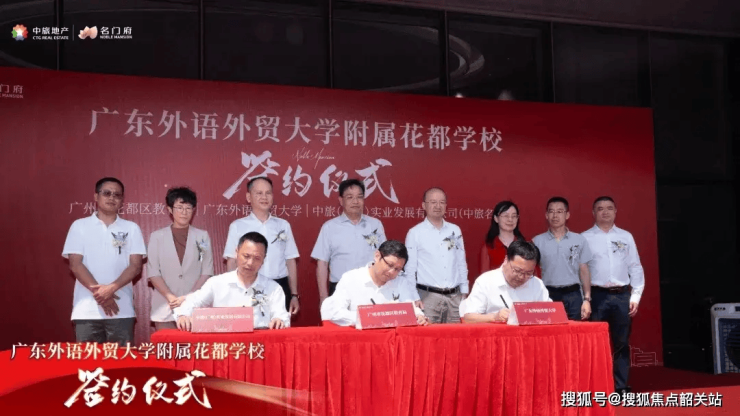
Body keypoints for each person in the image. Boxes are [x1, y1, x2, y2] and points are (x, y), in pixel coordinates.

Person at [62, 177, 146, 345]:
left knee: (122, 360)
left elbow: (136, 266)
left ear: (122, 200)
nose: (112, 198)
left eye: (117, 195)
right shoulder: (79, 226)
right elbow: (75, 265)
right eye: (107, 193)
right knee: (88, 360)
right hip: (86, 310)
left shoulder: (132, 228)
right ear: (96, 196)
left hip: (121, 309)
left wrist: (111, 289)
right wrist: (102, 295)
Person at [582, 196, 645, 395]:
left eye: (609, 208)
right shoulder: (584, 238)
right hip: (596, 296)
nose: (605, 212)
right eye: (600, 208)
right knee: (594, 345)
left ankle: (620, 386)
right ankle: (596, 386)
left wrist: (635, 296)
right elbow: (579, 271)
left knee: (621, 344)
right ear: (593, 213)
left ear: (616, 211)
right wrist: (585, 299)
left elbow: (635, 267)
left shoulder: (626, 236)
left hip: (621, 296)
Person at [175, 232, 290, 330]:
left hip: (259, 344)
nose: (250, 263)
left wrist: (279, 320)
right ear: (236, 252)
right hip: (225, 343)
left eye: (257, 258)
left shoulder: (273, 288)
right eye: (246, 256)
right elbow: (193, 302)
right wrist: (183, 315)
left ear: (263, 260)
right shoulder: (216, 283)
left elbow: (281, 316)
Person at [223, 177, 300, 315]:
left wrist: (294, 294)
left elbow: (290, 260)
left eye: (268, 193)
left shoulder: (283, 225)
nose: (264, 197)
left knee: (280, 325)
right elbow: (232, 261)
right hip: (248, 285)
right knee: (251, 326)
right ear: (249, 197)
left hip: (279, 285)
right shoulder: (237, 226)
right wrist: (233, 292)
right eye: (259, 193)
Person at [147, 187, 214, 331]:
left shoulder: (202, 236)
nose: (184, 212)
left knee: (195, 346)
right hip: (165, 305)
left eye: (188, 208)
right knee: (166, 345)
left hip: (195, 305)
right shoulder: (157, 237)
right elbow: (153, 272)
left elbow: (207, 271)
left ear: (194, 210)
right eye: (179, 207)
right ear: (170, 210)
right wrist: (170, 297)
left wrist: (189, 297)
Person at [320, 240, 429, 327]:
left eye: (397, 269)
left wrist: (419, 316)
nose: (392, 272)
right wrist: (369, 317)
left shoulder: (401, 282)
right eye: (389, 265)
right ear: (377, 256)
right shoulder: (351, 278)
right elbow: (333, 312)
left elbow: (410, 307)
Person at [311, 179, 386, 305]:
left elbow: (384, 258)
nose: (355, 201)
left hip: (371, 287)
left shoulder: (375, 225)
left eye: (359, 197)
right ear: (341, 200)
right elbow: (322, 263)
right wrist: (323, 297)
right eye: (350, 197)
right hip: (340, 288)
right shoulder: (329, 227)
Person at [404, 187, 468, 323]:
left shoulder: (455, 230)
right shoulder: (415, 233)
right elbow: (410, 268)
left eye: (442, 202)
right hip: (427, 297)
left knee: (455, 335)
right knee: (429, 334)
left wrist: (464, 291)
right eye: (433, 202)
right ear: (424, 205)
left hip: (455, 297)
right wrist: (414, 296)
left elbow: (461, 262)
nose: (438, 206)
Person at [461, 241, 551, 323]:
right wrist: (494, 317)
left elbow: (551, 314)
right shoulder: (486, 281)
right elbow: (468, 318)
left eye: (528, 273)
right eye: (517, 271)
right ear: (506, 260)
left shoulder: (537, 284)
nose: (521, 277)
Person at [533, 197, 592, 321]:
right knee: (550, 330)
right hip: (548, 294)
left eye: (559, 211)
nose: (555, 215)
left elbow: (584, 270)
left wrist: (587, 299)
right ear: (546, 215)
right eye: (551, 211)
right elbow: (531, 272)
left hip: (573, 294)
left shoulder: (579, 240)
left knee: (575, 330)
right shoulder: (537, 241)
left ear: (567, 215)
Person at [480, 201, 527, 273]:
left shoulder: (526, 245)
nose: (510, 219)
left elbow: (534, 274)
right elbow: (484, 275)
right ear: (496, 218)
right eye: (506, 216)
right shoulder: (488, 247)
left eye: (514, 216)